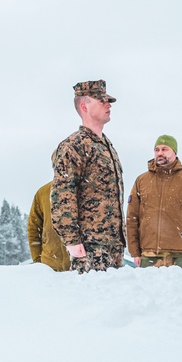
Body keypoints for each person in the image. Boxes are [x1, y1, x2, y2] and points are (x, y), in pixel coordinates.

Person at [50, 79, 126, 273]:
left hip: (113, 245)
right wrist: (72, 240)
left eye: (108, 100)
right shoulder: (74, 146)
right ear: (84, 106)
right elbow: (62, 195)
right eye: (101, 100)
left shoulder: (106, 146)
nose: (108, 104)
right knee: (92, 301)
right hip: (89, 246)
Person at [126, 134, 182, 268]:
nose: (160, 153)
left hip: (181, 255)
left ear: (174, 152)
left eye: (165, 149)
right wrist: (134, 251)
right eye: (157, 150)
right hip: (148, 254)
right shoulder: (141, 181)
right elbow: (132, 218)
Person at [26, 182, 70, 271]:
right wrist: (38, 261)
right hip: (50, 267)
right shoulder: (43, 192)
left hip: (82, 270)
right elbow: (34, 228)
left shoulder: (89, 189)